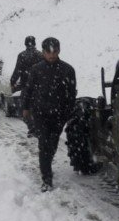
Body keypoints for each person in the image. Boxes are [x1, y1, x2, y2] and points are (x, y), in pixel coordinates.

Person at [22, 37, 77, 192]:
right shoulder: (36, 69)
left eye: (54, 52)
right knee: (44, 144)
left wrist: (68, 112)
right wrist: (26, 108)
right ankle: (47, 179)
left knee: (52, 145)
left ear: (59, 51)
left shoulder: (68, 70)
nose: (52, 55)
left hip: (59, 114)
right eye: (48, 52)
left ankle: (47, 164)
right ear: (43, 52)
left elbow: (71, 94)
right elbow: (29, 90)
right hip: (41, 113)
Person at [10, 35, 43, 136]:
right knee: (39, 108)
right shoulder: (41, 55)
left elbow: (17, 70)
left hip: (27, 86)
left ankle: (32, 127)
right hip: (40, 87)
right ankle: (39, 127)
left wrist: (12, 81)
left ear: (25, 44)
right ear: (34, 43)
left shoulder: (22, 55)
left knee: (23, 109)